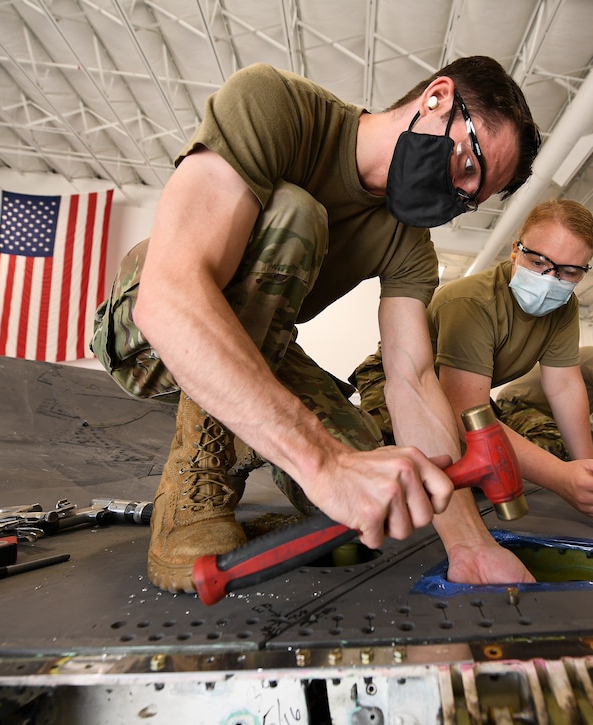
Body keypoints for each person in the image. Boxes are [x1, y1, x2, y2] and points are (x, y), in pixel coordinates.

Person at [91, 57, 541, 593]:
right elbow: (170, 295)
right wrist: (322, 463)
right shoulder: (276, 105)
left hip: (262, 349)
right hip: (143, 333)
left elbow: (413, 381)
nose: (456, 198)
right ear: (438, 98)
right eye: (467, 167)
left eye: (472, 198)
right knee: (296, 212)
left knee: (372, 489)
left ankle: (262, 464)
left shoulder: (411, 248)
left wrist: (469, 545)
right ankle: (196, 483)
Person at [351, 199, 593, 559]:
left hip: (459, 392)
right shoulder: (472, 301)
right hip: (397, 377)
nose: (550, 279)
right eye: (538, 262)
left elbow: (565, 387)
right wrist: (560, 479)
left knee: (511, 460)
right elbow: (463, 410)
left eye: (569, 272)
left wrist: (587, 473)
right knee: (388, 468)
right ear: (514, 251)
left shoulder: (564, 309)